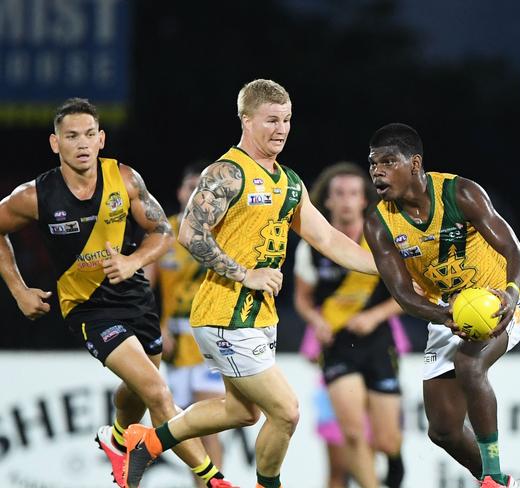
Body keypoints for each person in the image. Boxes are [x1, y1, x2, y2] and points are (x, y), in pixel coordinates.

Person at [122, 79, 377, 488]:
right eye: (272, 119)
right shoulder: (227, 172)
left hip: (258, 315)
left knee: (241, 412)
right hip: (225, 314)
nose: (281, 129)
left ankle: (147, 443)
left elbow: (328, 239)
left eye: (288, 120)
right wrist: (246, 273)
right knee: (287, 411)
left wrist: (387, 269)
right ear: (246, 120)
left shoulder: (289, 182)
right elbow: (190, 232)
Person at [0, 98, 234, 488]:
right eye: (71, 136)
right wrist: (19, 290)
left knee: (140, 390)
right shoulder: (34, 196)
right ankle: (213, 479)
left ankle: (118, 436)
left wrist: (133, 263)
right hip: (88, 310)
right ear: (55, 143)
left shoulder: (124, 179)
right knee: (159, 392)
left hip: (136, 298)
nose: (82, 143)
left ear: (102, 139)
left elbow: (162, 233)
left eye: (90, 134)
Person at [363, 123, 520, 488]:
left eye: (388, 161)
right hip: (446, 312)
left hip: (497, 301)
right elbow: (403, 295)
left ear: (414, 164)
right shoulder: (379, 224)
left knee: (470, 365)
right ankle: (504, 485)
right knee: (442, 431)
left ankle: (493, 476)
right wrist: (445, 315)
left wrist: (511, 293)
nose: (377, 171)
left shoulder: (461, 193)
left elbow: (515, 253)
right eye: (373, 163)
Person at [293, 162, 406, 488]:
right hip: (337, 346)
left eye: (353, 194)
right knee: (353, 433)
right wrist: (316, 321)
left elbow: (408, 294)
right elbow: (303, 299)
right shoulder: (312, 246)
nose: (345, 200)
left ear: (363, 200)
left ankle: (396, 461)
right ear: (326, 202)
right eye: (338, 194)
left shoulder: (382, 240)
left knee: (387, 441)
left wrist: (373, 316)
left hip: (379, 343)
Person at [146, 162, 227, 487]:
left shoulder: (224, 234)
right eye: (190, 185)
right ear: (180, 192)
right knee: (183, 429)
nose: (195, 193)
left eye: (202, 187)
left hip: (211, 339)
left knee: (208, 424)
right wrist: (155, 328)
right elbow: (143, 287)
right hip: (175, 345)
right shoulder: (164, 236)